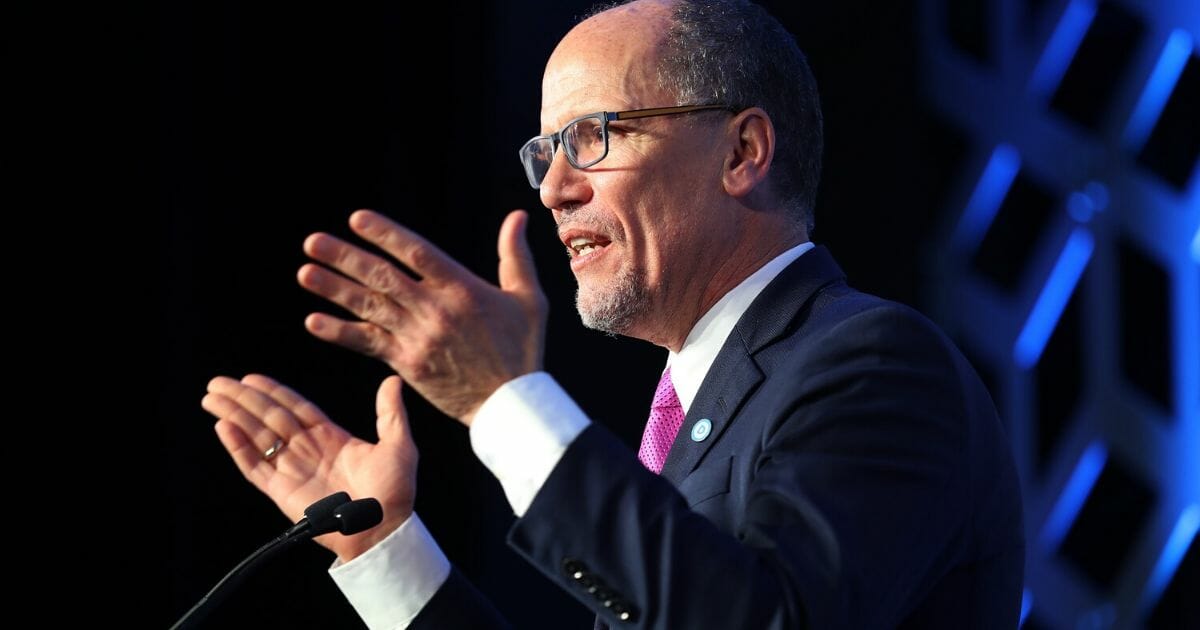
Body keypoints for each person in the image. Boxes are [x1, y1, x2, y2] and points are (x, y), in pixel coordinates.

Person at [200, 0, 1024, 627]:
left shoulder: (876, 364)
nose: (556, 189)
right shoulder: (696, 408)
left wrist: (502, 401)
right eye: (545, 151)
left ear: (742, 153)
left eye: (592, 135)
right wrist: (385, 551)